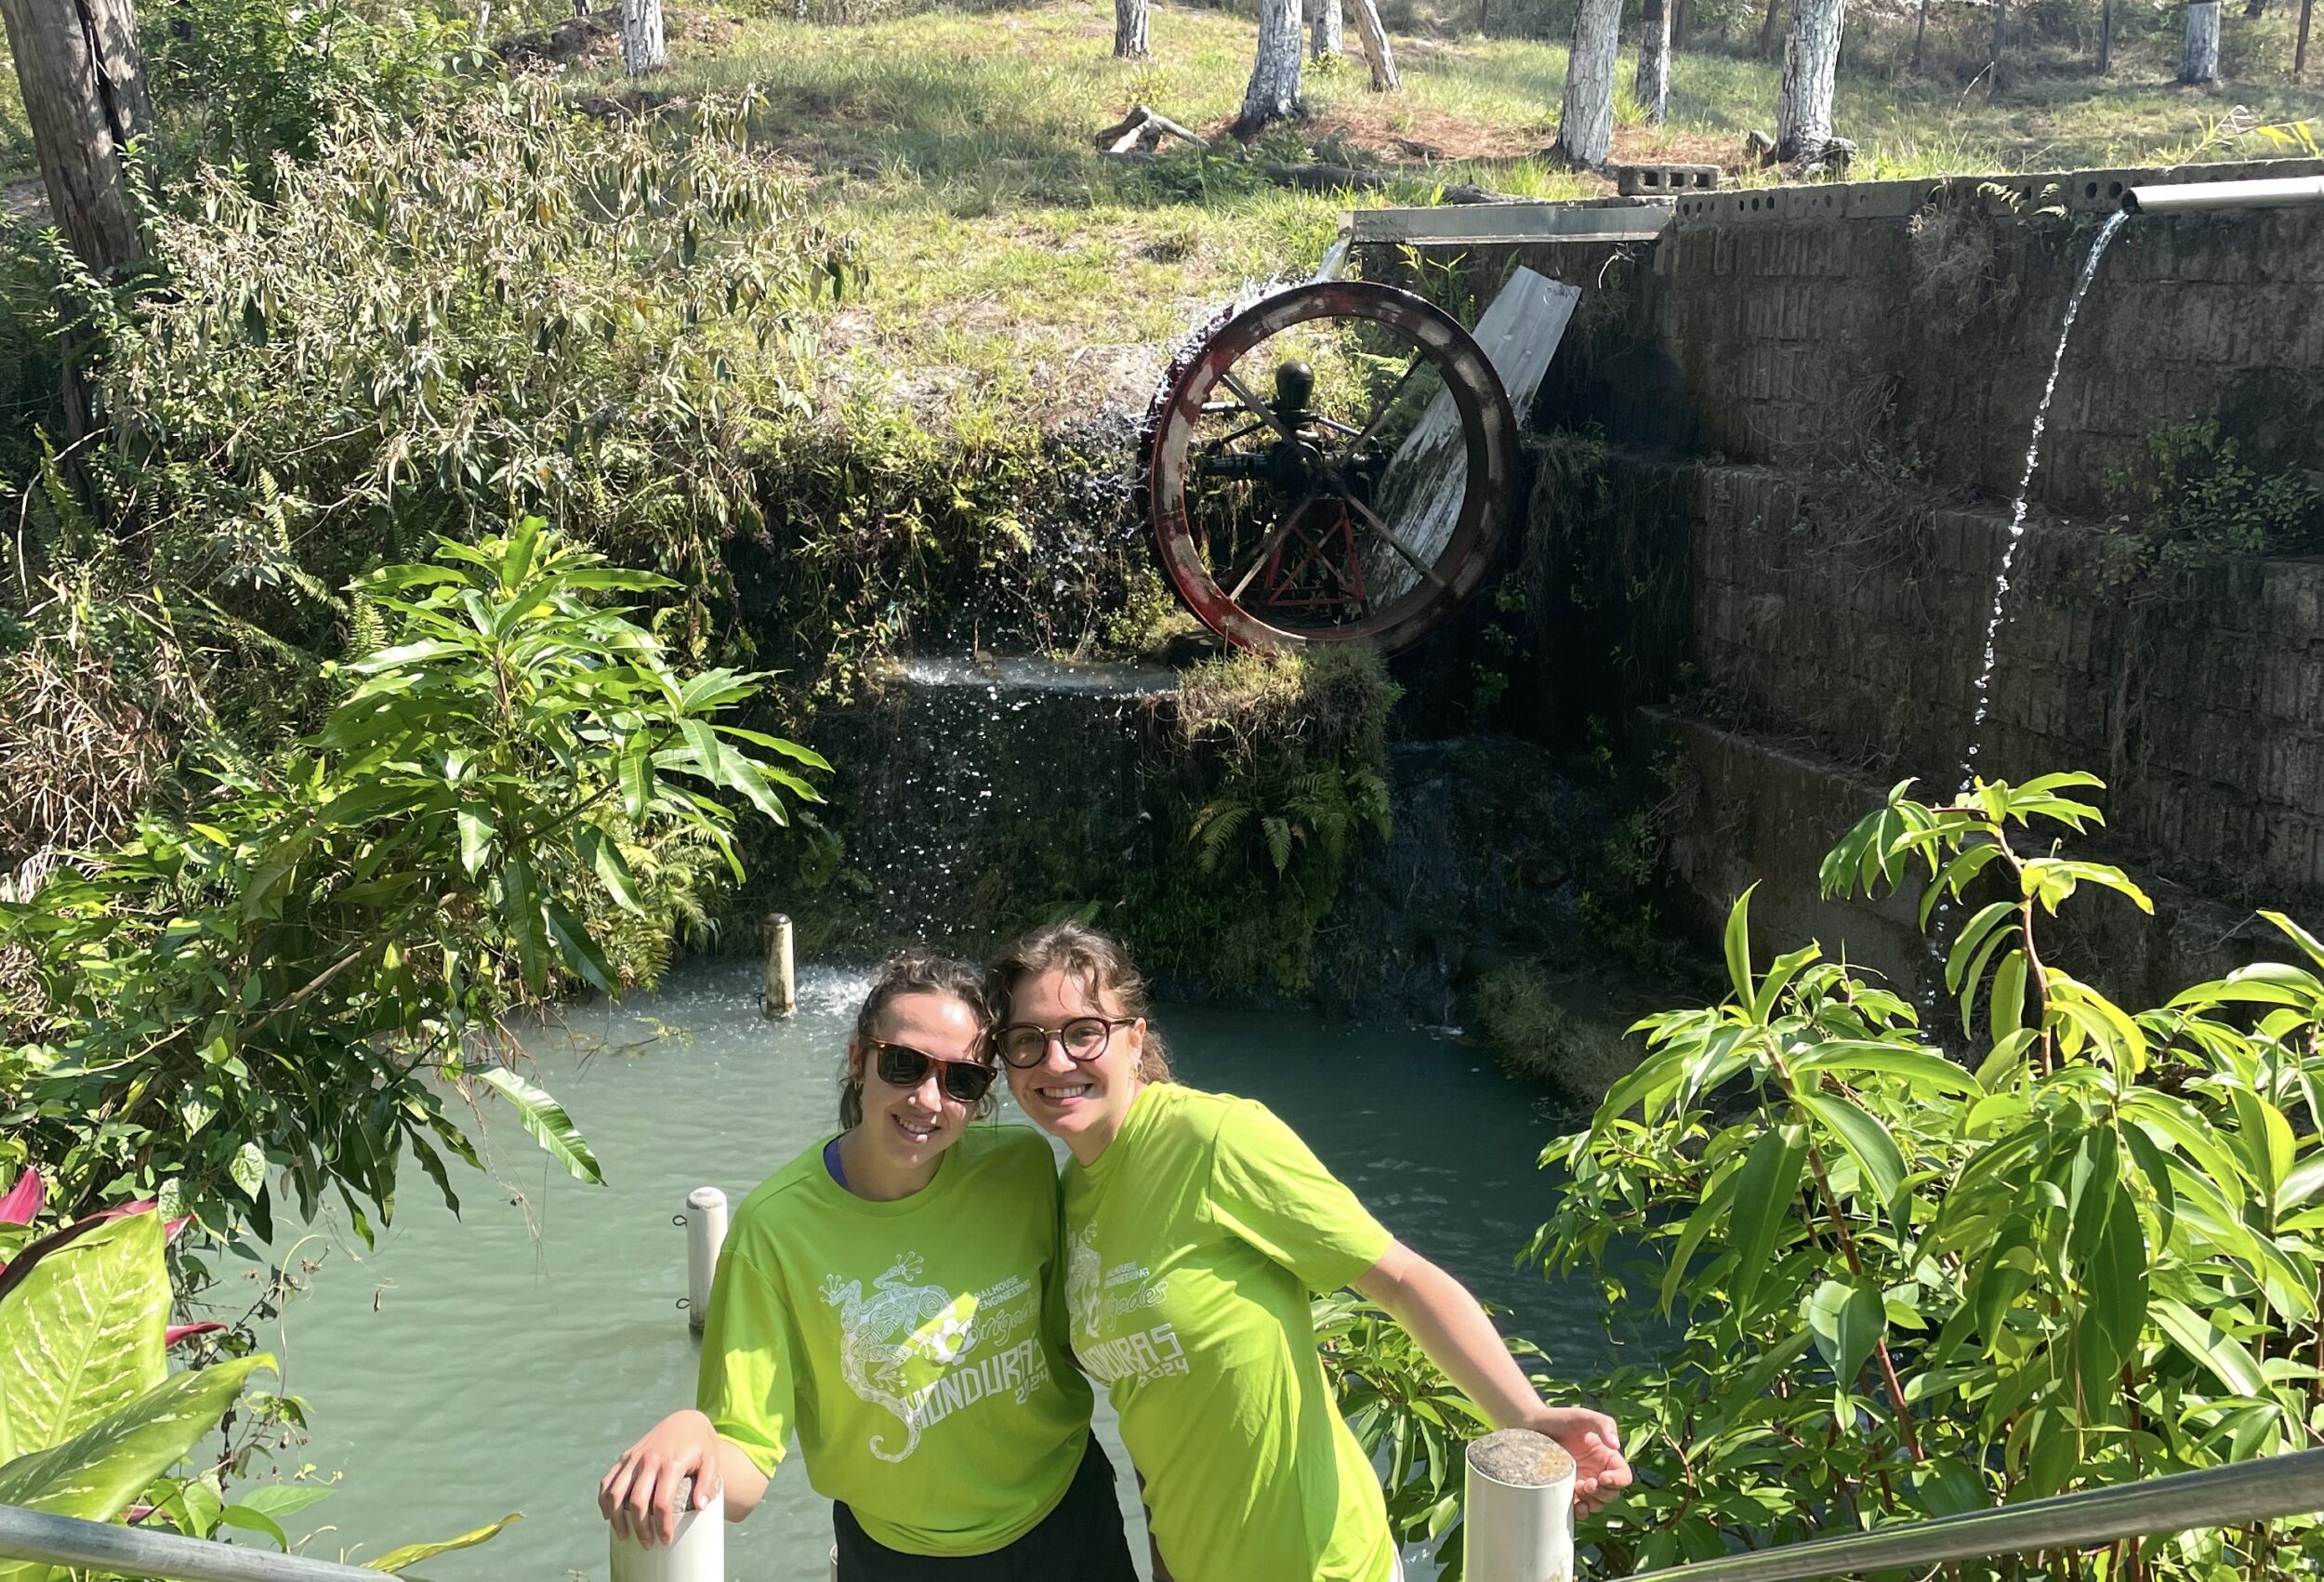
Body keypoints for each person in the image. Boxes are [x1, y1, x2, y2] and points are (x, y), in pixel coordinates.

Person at [989, 920, 1632, 1582]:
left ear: (1134, 1038)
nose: (1056, 1061)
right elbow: (1151, 1414)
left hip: (1319, 1565)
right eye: (1026, 1041)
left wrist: (1525, 1414)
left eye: (1083, 1032)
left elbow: (1400, 1278)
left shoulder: (1213, 1139)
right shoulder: (1070, 1196)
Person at [599, 952, 1138, 1581]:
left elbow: (1072, 1337)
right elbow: (743, 1462)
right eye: (904, 1065)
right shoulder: (774, 1231)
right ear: (860, 1059)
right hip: (899, 1559)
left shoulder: (1021, 1167)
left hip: (1070, 1519)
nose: (929, 1099)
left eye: (961, 1079)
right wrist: (691, 1430)